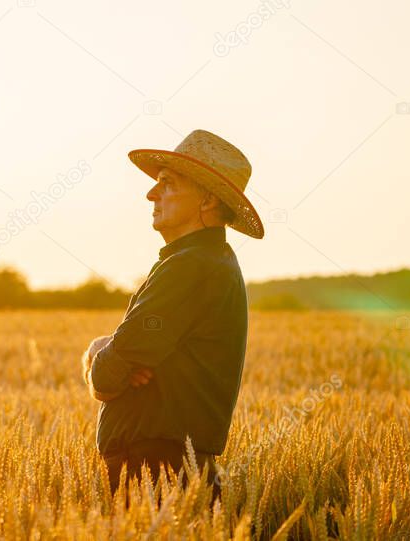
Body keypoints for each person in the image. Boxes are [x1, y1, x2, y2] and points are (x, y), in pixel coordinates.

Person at [81, 129, 265, 507]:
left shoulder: (191, 267)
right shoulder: (206, 263)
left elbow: (105, 376)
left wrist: (101, 353)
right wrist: (112, 354)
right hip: (168, 471)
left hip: (155, 473)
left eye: (167, 183)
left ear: (208, 199)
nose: (151, 194)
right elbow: (117, 366)